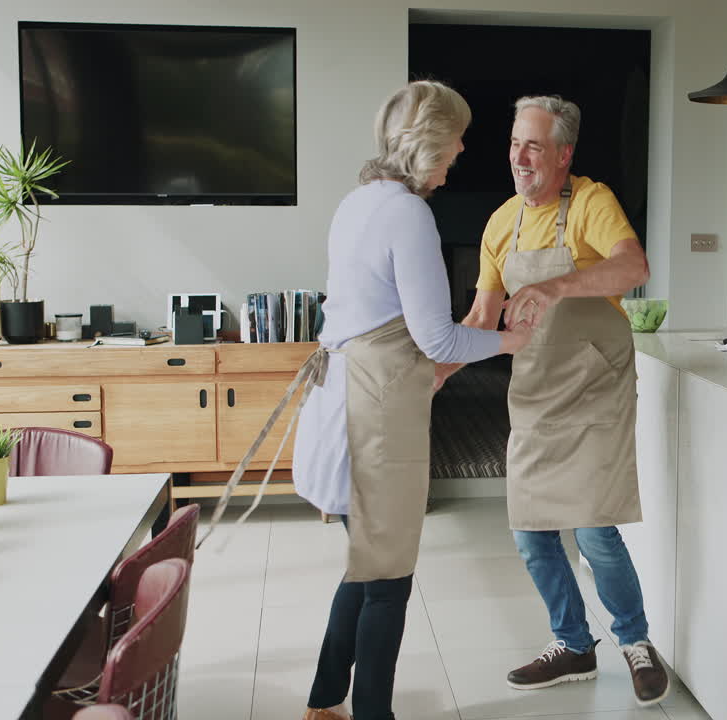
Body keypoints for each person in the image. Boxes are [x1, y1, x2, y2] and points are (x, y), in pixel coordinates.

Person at [292, 81, 532, 720]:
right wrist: (511, 340)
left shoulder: (358, 201)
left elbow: (381, 320)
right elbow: (437, 338)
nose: (462, 150)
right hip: (374, 415)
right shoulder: (408, 214)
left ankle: (323, 703)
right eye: (457, 138)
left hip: (345, 399)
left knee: (368, 565)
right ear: (429, 142)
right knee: (387, 581)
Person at [437, 96, 669, 706]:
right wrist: (435, 372)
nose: (519, 157)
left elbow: (633, 267)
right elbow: (482, 318)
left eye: (533, 146)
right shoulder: (500, 224)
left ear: (564, 154)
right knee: (531, 532)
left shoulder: (592, 202)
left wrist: (557, 285)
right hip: (536, 392)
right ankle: (573, 644)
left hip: (595, 390)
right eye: (515, 143)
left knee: (593, 530)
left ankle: (635, 641)